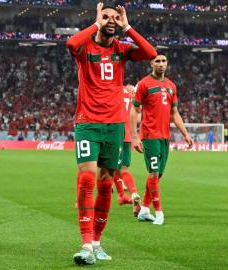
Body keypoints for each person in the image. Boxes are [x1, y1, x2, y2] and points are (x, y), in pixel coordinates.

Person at [66, 3, 156, 266]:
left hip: (115, 126)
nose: (111, 21)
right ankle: (85, 244)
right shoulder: (85, 49)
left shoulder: (121, 49)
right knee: (86, 178)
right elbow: (71, 43)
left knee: (106, 183)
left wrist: (127, 26)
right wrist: (97, 22)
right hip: (88, 123)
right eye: (107, 17)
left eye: (115, 17)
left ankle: (96, 242)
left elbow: (150, 53)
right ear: (98, 19)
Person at [130, 54, 193, 225]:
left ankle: (143, 209)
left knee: (159, 175)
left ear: (167, 64)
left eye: (163, 61)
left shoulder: (171, 86)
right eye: (157, 61)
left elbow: (174, 113)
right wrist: (134, 136)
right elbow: (134, 109)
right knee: (154, 172)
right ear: (151, 63)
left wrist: (185, 133)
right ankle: (158, 212)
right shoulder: (144, 84)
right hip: (150, 135)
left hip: (165, 136)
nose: (161, 64)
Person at [113, 84, 141, 217]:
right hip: (128, 136)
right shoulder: (133, 100)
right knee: (123, 168)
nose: (133, 93)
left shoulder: (115, 91)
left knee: (110, 167)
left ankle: (121, 193)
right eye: (133, 91)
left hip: (115, 134)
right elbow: (139, 118)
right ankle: (131, 193)